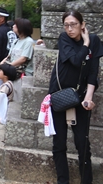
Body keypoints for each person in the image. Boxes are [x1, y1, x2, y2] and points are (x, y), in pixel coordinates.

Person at [49, 10, 102, 184]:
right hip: (59, 94)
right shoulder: (64, 39)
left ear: (82, 24)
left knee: (82, 143)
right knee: (59, 143)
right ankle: (62, 181)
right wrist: (85, 44)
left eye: (73, 24)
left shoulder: (94, 40)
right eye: (66, 25)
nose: (70, 29)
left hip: (80, 96)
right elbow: (76, 61)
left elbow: (93, 72)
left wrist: (89, 97)